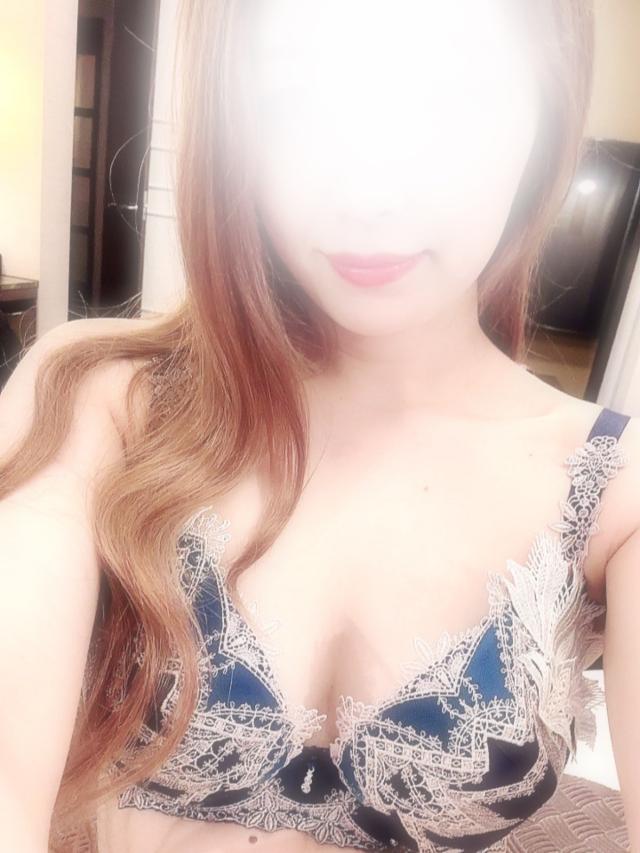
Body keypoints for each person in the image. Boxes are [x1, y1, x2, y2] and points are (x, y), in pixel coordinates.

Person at [0, 1, 638, 851]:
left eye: (446, 99)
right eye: (297, 100)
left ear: (545, 116)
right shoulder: (95, 397)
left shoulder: (611, 488)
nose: (366, 193)